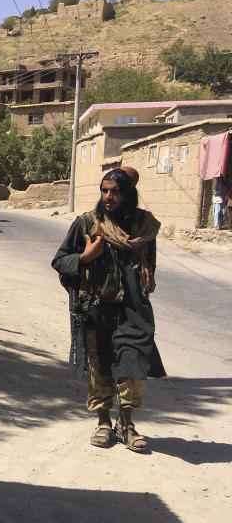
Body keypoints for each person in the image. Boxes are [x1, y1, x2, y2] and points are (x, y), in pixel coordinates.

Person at [52, 167, 165, 453]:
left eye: (115, 191)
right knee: (99, 366)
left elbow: (149, 266)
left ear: (128, 194)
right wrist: (85, 257)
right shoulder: (88, 224)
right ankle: (104, 422)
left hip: (134, 309)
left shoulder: (145, 227)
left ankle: (126, 424)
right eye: (104, 190)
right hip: (98, 308)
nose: (108, 196)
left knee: (134, 366)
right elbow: (60, 260)